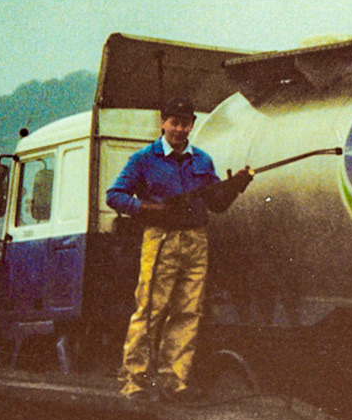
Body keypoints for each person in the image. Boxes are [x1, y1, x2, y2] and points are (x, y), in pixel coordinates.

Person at [105, 97, 253, 402]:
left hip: (196, 240)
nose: (179, 129)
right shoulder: (144, 159)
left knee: (189, 311)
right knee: (151, 310)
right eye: (174, 122)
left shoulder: (202, 160)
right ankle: (135, 381)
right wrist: (145, 208)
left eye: (185, 123)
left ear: (192, 125)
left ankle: (175, 381)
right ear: (163, 122)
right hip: (161, 240)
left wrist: (236, 186)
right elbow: (114, 195)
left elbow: (217, 203)